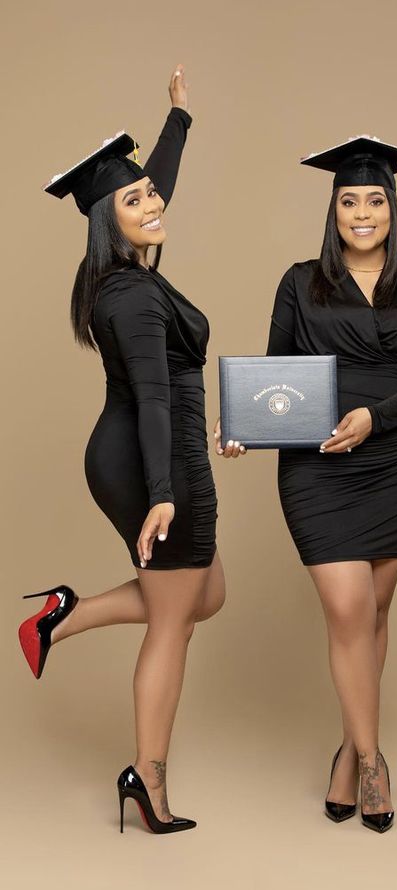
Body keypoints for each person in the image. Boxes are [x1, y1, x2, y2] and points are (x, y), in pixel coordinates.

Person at [217, 137, 397, 832]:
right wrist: (242, 425)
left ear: (393, 208)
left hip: (396, 464)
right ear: (333, 209)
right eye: (348, 200)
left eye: (375, 200)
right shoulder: (300, 282)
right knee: (350, 612)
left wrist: (374, 418)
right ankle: (375, 762)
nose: (362, 213)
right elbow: (273, 375)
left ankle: (345, 756)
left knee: (375, 616)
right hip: (317, 467)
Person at [18, 66, 224, 834]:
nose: (153, 202)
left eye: (151, 193)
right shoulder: (133, 296)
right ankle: (148, 781)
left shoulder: (120, 271)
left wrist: (177, 120)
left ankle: (62, 616)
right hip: (149, 455)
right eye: (133, 200)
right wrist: (165, 491)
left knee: (204, 594)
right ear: (110, 220)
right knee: (176, 620)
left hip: (152, 449)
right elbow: (154, 398)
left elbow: (150, 191)